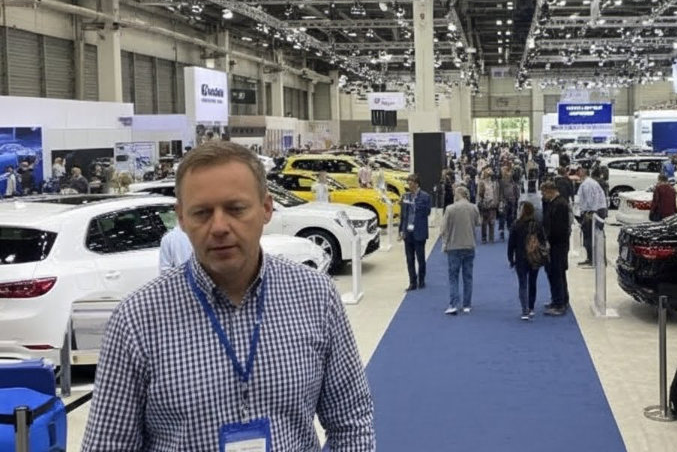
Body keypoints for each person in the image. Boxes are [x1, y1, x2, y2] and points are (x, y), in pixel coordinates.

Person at [82, 141, 375, 450]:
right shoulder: (137, 320)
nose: (219, 227)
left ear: (266, 209)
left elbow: (351, 421)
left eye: (235, 209)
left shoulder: (315, 296)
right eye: (202, 213)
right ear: (181, 219)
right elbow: (108, 445)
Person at [440, 185, 480, 315]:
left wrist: (444, 244)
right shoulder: (474, 208)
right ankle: (467, 305)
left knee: (453, 277)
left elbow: (443, 229)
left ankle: (453, 304)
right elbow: (478, 223)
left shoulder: (450, 209)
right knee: (468, 276)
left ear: (458, 194)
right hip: (469, 246)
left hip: (454, 246)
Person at [507, 201, 547, 321]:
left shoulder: (516, 225)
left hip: (520, 258)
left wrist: (510, 258)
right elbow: (543, 241)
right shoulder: (537, 225)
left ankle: (524, 310)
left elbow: (511, 244)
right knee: (533, 282)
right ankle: (531, 307)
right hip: (534, 257)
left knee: (523, 284)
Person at [541, 181, 571, 315]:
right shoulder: (556, 203)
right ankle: (560, 299)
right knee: (558, 273)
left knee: (556, 273)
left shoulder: (560, 205)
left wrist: (548, 241)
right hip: (557, 244)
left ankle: (559, 304)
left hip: (557, 245)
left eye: (543, 192)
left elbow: (558, 228)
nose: (543, 196)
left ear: (549, 190)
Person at [400, 173, 432, 291]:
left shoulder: (425, 196)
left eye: (411, 182)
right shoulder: (405, 196)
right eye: (408, 182)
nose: (409, 184)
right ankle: (412, 282)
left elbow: (427, 212)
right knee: (409, 259)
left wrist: (415, 205)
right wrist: (401, 230)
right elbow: (403, 215)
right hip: (408, 233)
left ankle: (421, 280)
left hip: (419, 232)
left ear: (416, 184)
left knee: (420, 258)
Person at [575, 166, 608, 268]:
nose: (577, 173)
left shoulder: (587, 184)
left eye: (578, 171)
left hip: (594, 212)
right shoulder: (587, 183)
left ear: (582, 172)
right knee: (592, 235)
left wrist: (590, 213)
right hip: (594, 211)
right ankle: (592, 258)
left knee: (591, 236)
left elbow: (590, 200)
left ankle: (595, 260)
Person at [476, 167, 499, 243]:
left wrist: (497, 202)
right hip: (484, 204)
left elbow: (497, 193)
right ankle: (484, 238)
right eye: (489, 174)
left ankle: (491, 238)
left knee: (492, 222)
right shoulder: (481, 182)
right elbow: (480, 193)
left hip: (493, 204)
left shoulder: (495, 183)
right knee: (484, 222)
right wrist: (481, 202)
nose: (490, 176)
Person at [499, 167, 520, 241]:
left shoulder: (513, 183)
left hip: (512, 202)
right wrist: (501, 200)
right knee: (503, 217)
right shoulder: (501, 182)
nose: (509, 175)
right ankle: (501, 231)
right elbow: (500, 192)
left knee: (510, 217)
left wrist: (516, 198)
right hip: (504, 202)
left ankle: (510, 231)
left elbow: (516, 192)